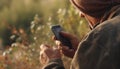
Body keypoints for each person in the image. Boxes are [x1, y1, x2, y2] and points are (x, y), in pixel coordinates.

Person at [40, 0, 120, 69]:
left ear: (96, 7)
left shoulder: (98, 39)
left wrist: (52, 62)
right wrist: (85, 54)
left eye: (82, 9)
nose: (81, 15)